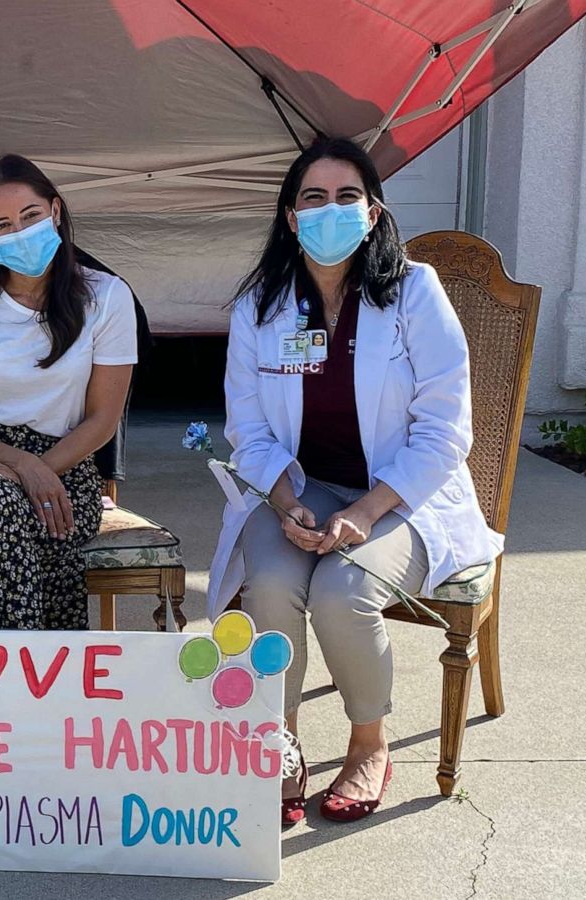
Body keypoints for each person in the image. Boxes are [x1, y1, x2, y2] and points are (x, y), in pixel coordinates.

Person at [209, 137, 502, 827]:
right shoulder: (259, 306)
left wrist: (367, 512)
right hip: (301, 487)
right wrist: (285, 503)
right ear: (289, 217)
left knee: (342, 592)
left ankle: (369, 743)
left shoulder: (413, 291)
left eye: (347, 198)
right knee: (273, 584)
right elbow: (247, 430)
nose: (330, 211)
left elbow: (445, 429)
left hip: (402, 495)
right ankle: (279, 746)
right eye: (313, 198)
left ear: (373, 213)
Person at [0, 154, 136, 630]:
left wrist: (39, 470)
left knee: (6, 509)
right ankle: (17, 662)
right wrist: (20, 467)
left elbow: (103, 418)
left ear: (56, 211)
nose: (20, 231)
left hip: (66, 464)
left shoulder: (107, 296)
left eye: (31, 216)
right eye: (3, 224)